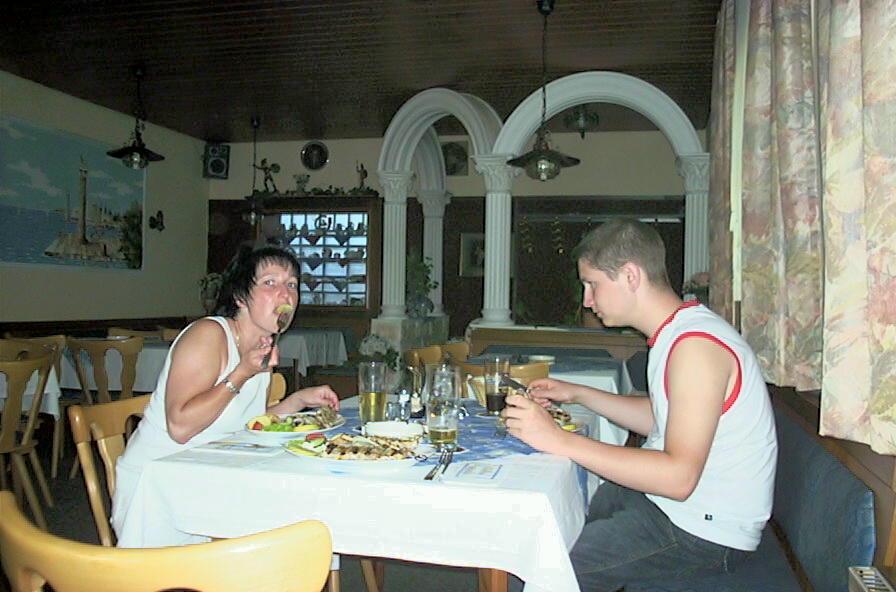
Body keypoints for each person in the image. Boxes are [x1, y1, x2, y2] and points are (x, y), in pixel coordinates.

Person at [503, 218, 777, 591]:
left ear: (631, 276)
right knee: (554, 517)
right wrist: (579, 393)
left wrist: (558, 439)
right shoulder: (679, 332)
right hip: (675, 508)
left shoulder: (695, 347)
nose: (587, 301)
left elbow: (679, 478)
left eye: (592, 284)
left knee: (539, 571)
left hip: (703, 532)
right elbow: (661, 418)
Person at [112, 246, 339, 546]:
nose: (285, 294)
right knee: (284, 532)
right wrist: (241, 373)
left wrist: (297, 401)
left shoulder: (263, 343)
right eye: (270, 282)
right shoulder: (208, 335)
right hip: (159, 487)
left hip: (214, 474)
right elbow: (180, 427)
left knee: (307, 512)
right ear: (240, 297)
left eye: (292, 284)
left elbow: (247, 422)